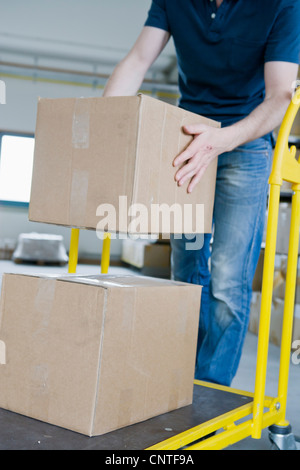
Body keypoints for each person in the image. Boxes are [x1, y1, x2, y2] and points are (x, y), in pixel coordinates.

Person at [103, 0, 300, 386]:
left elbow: (280, 95)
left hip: (245, 145)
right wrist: (103, 124)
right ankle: (181, 378)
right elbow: (139, 60)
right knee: (188, 272)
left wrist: (221, 141)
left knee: (227, 278)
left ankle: (210, 391)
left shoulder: (283, 4)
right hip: (188, 142)